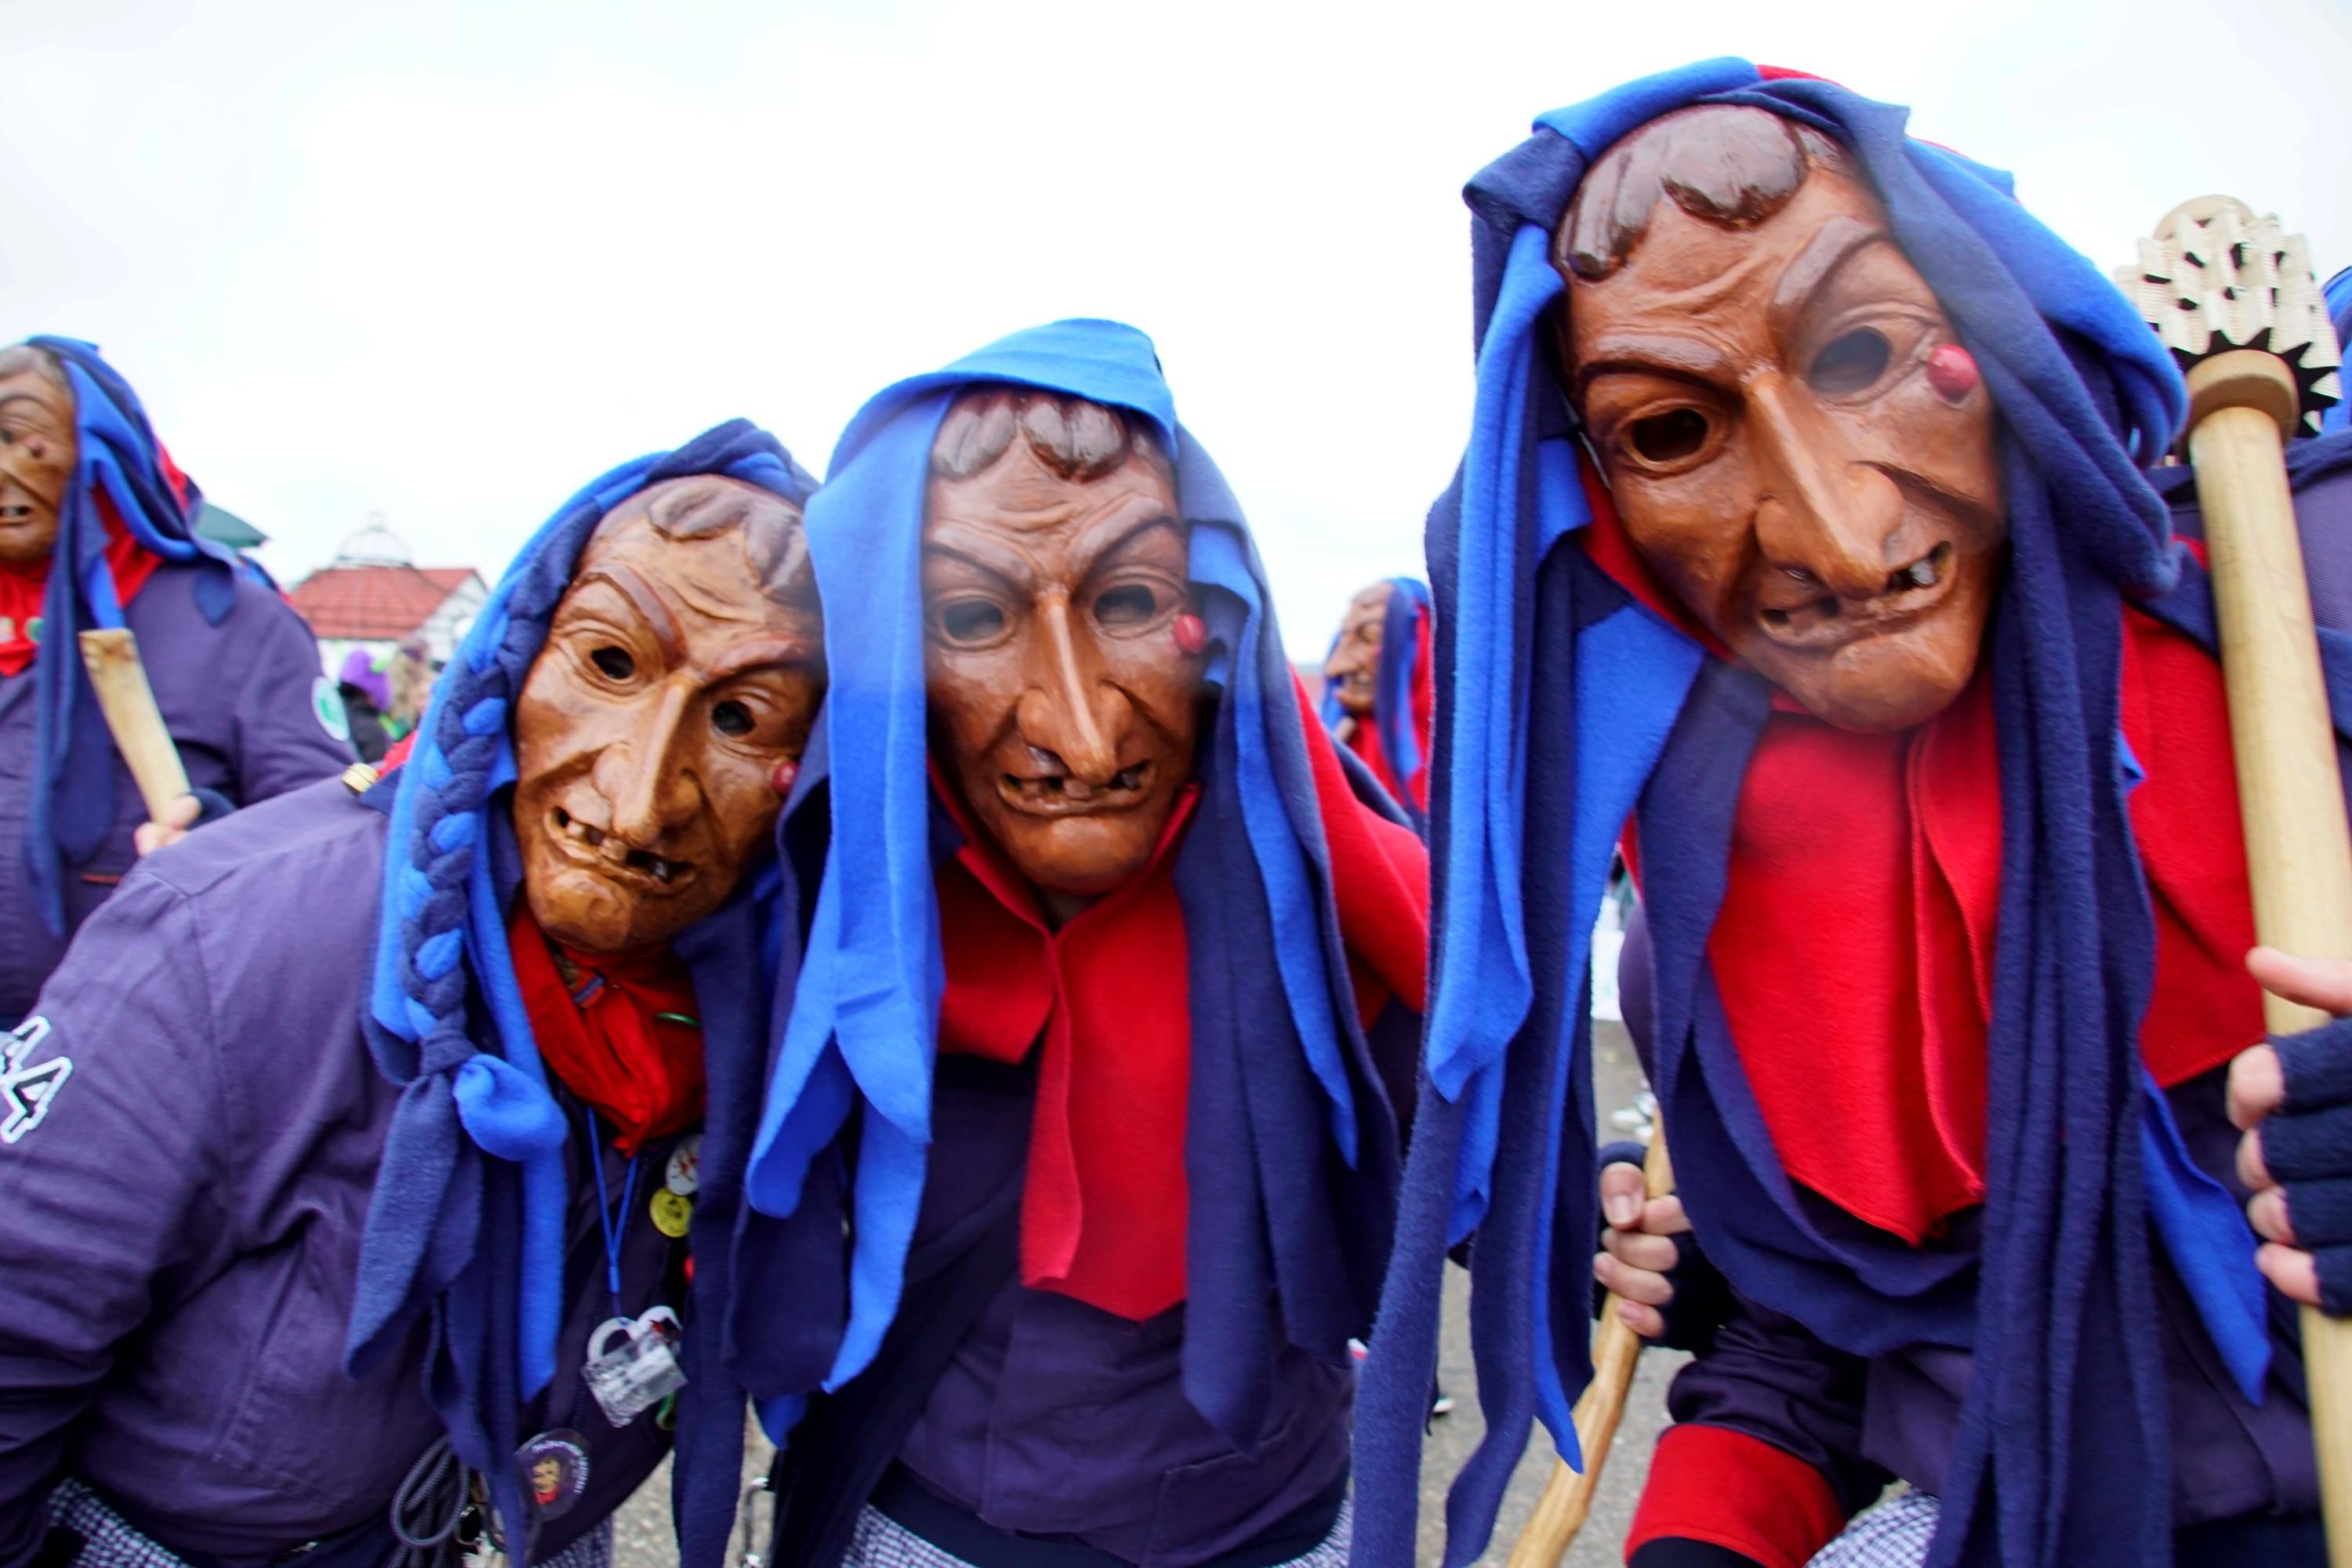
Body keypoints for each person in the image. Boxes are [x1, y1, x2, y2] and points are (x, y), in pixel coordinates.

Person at [1351, 60, 2352, 1568]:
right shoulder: (1698, 906)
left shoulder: (2300, 607)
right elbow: (1828, 1364)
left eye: (1869, 350)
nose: (1842, 535)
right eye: (1676, 434)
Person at [0, 420, 825, 1568]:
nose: (640, 803)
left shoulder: (756, 1006)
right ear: (512, 657)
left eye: (743, 719)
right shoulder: (237, 934)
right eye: (609, 664)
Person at [736, 320, 1429, 1568]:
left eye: (1128, 600)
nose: (1085, 734)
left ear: (1215, 621)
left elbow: (1454, 1133)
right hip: (935, 1511)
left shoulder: (1336, 911)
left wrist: (1598, 1200)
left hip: (1272, 1514)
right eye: (969, 614)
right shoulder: (805, 901)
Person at [0, 336, 352, 1021]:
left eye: (18, 438)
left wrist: (220, 853)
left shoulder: (233, 623)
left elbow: (328, 846)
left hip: (132, 1052)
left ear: (103, 451)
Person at [1318, 576, 1433, 829]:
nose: (1337, 667)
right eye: (1344, 638)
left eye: (1369, 637)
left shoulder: (1458, 778)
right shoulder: (1327, 756)